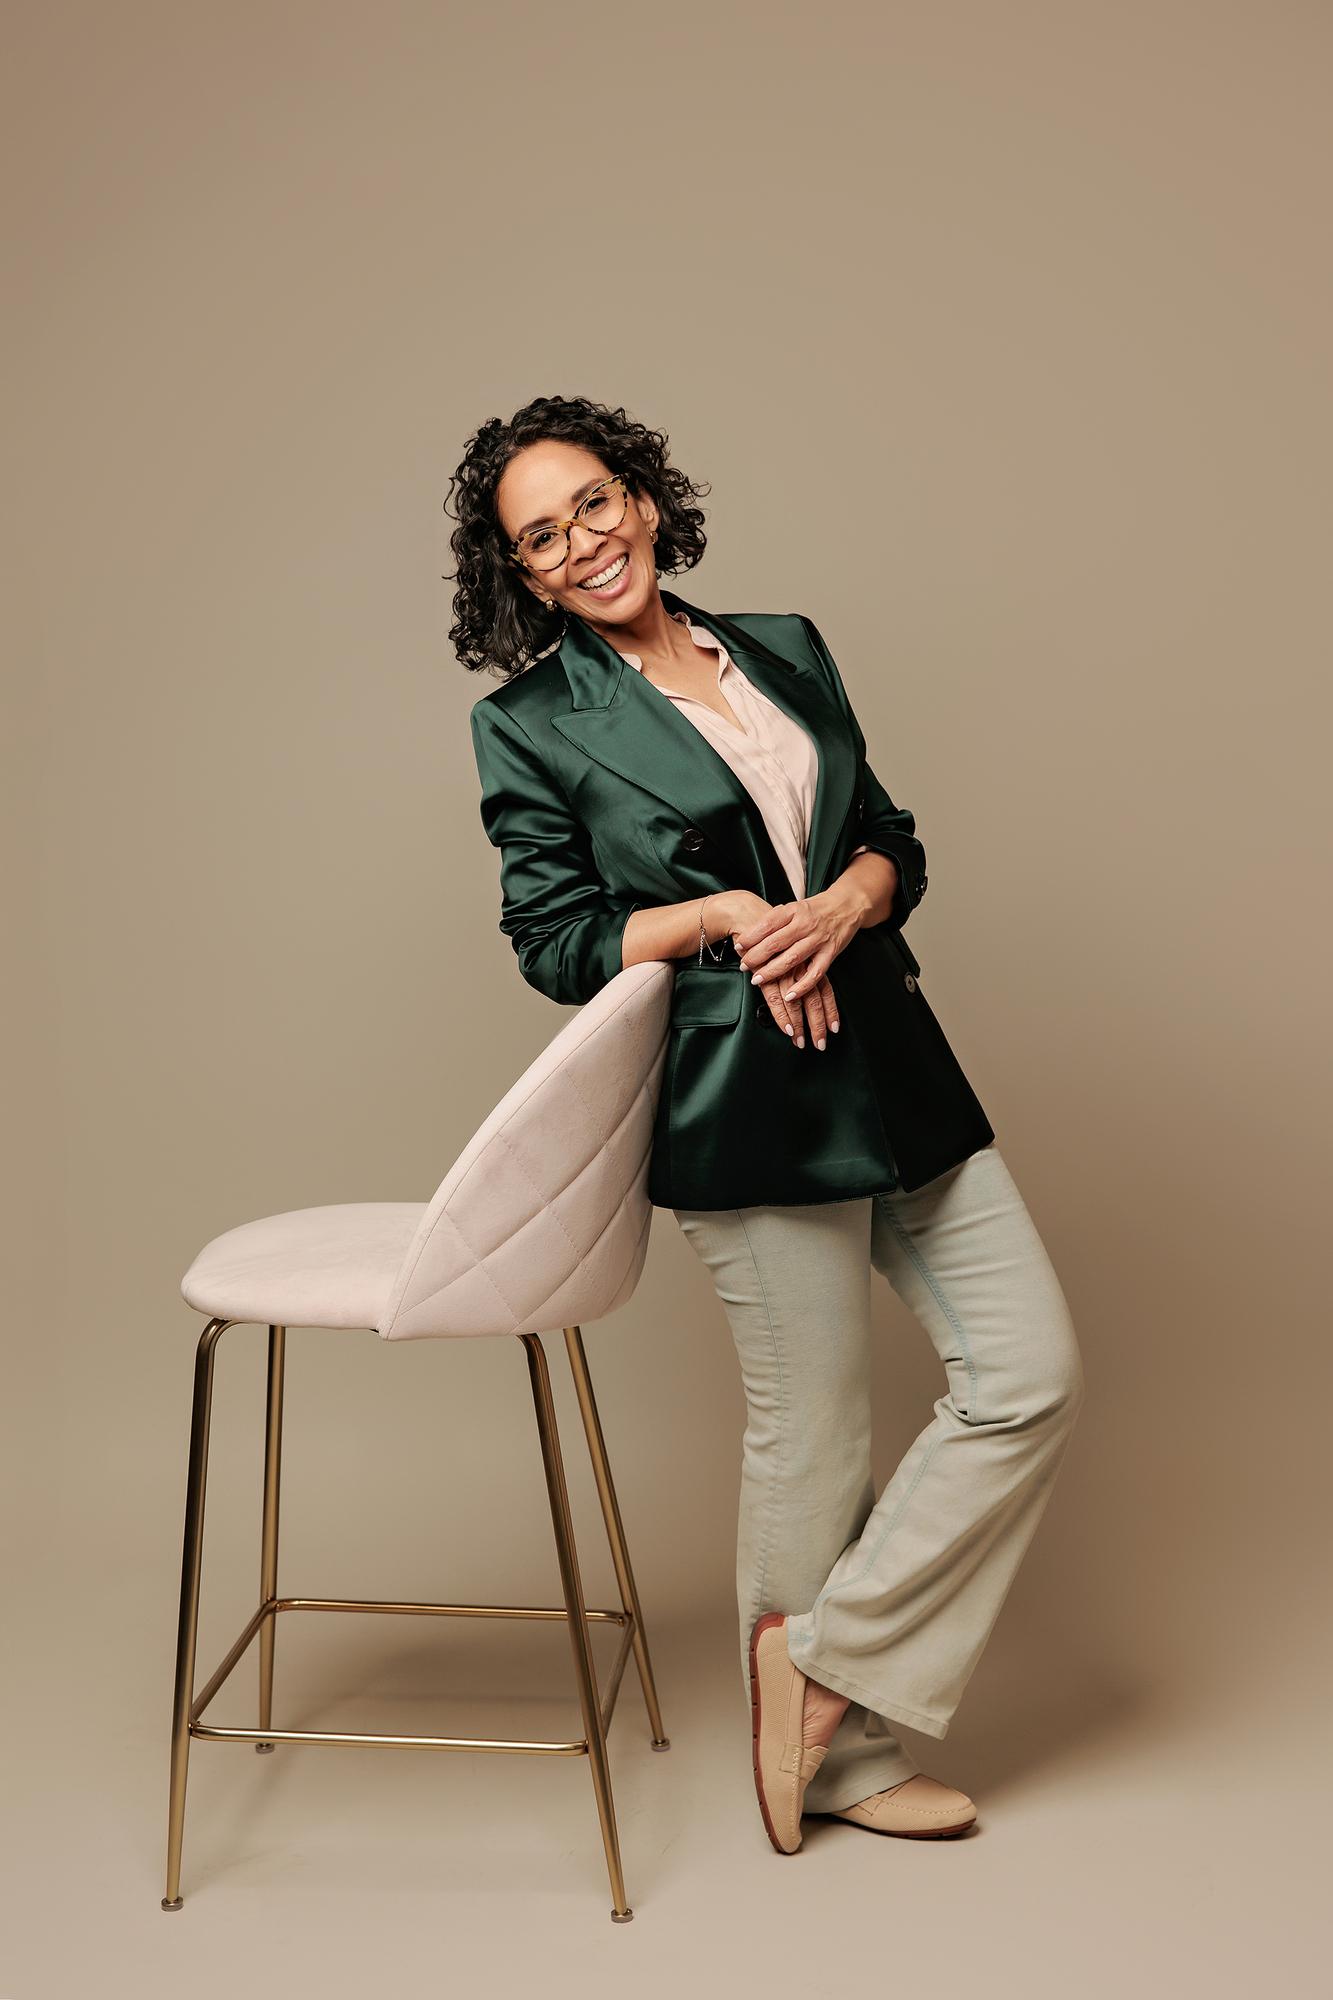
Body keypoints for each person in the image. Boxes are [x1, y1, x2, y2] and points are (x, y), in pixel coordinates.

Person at [447, 393, 1085, 1854]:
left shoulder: (784, 646)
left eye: (593, 503)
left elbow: (886, 836)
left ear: (644, 497)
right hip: (743, 1093)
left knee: (1028, 1373)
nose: (582, 543)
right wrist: (722, 917)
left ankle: (815, 1659)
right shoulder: (530, 726)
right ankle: (842, 1760)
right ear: (525, 579)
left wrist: (854, 895)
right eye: (541, 539)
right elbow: (552, 940)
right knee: (817, 1433)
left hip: (893, 1059)